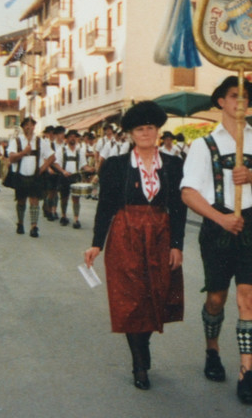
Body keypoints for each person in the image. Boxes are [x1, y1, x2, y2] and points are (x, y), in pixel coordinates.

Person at [180, 76, 252, 405]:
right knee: (216, 298)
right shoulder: (203, 145)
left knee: (248, 299)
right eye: (233, 95)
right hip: (217, 222)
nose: (240, 102)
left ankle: (246, 375)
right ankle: (212, 351)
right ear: (220, 102)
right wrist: (220, 218)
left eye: (245, 97)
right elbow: (188, 193)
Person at [83, 101, 186, 391]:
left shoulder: (174, 164)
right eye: (139, 129)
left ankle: (143, 343)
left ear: (158, 130)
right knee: (132, 297)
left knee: (156, 293)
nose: (145, 133)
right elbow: (105, 207)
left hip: (160, 235)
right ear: (130, 133)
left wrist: (177, 245)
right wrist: (96, 245)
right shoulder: (116, 166)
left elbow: (178, 209)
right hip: (125, 235)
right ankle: (139, 362)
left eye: (150, 128)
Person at [6, 117, 52, 238]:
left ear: (34, 127)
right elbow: (11, 158)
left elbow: (52, 157)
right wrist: (23, 152)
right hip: (20, 175)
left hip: (35, 176)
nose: (29, 127)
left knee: (34, 201)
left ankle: (34, 226)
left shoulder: (40, 141)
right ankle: (20, 223)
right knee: (21, 200)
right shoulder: (16, 141)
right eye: (26, 125)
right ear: (23, 127)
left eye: (31, 125)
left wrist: (43, 168)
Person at [57, 129, 90, 228]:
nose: (73, 138)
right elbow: (56, 164)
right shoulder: (61, 150)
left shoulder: (80, 151)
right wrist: (63, 171)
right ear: (66, 139)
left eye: (74, 137)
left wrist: (91, 169)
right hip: (65, 176)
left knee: (76, 198)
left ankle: (76, 219)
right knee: (64, 198)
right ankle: (64, 216)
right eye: (70, 136)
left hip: (75, 176)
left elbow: (84, 165)